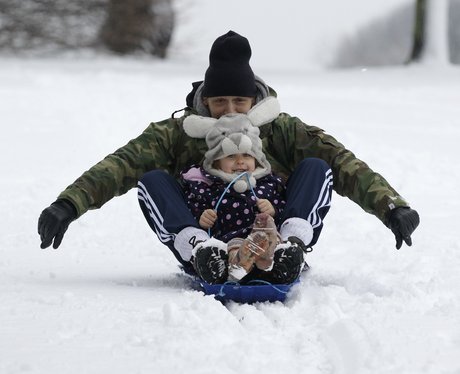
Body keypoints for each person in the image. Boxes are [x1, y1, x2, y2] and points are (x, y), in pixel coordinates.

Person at [37, 30, 419, 281]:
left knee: (318, 165)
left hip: (271, 227)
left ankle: (289, 250)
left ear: (255, 99)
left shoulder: (282, 129)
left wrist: (391, 206)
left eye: (239, 100)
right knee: (149, 179)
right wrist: (68, 205)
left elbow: (344, 163)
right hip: (207, 235)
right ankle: (202, 252)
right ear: (206, 101)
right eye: (220, 101)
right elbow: (120, 164)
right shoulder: (179, 133)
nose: (230, 109)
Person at [180, 100, 313, 284]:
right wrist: (203, 218)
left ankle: (273, 262)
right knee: (235, 247)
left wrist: (273, 209)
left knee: (275, 243)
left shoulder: (268, 183)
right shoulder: (209, 186)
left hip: (267, 235)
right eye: (231, 156)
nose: (240, 162)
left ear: (257, 159)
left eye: (247, 156)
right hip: (230, 240)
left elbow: (284, 206)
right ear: (217, 162)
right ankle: (238, 265)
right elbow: (193, 207)